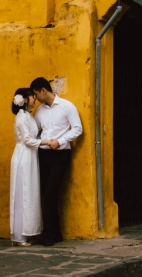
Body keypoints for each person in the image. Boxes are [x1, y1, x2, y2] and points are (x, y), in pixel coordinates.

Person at [31, 77, 83, 246]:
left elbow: (77, 128)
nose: (36, 97)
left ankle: (48, 234)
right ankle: (56, 233)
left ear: (43, 91)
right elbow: (36, 130)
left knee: (52, 192)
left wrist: (59, 141)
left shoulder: (67, 107)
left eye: (36, 93)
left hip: (60, 155)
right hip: (43, 154)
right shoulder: (39, 111)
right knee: (46, 194)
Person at [10, 88, 50, 246]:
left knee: (30, 193)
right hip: (23, 156)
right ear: (25, 100)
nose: (35, 99)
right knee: (23, 194)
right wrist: (46, 142)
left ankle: (29, 230)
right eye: (32, 97)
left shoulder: (28, 116)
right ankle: (20, 235)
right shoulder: (21, 118)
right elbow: (27, 139)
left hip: (31, 156)